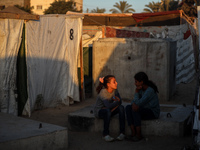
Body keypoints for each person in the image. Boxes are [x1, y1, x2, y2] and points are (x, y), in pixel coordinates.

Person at [125, 72, 160, 142]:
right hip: (144, 109)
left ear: (141, 82)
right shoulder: (141, 89)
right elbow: (134, 102)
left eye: (136, 82)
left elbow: (139, 102)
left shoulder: (149, 91)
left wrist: (136, 92)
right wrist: (134, 104)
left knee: (135, 109)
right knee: (128, 108)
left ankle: (139, 135)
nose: (135, 84)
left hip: (152, 112)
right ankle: (133, 133)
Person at [94, 75, 125, 142]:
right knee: (107, 111)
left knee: (121, 108)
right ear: (108, 84)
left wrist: (116, 102)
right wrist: (117, 102)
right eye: (114, 82)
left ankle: (122, 133)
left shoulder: (115, 90)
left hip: (110, 110)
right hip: (100, 112)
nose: (116, 83)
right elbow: (108, 105)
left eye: (116, 81)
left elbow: (120, 102)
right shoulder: (103, 92)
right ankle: (105, 134)